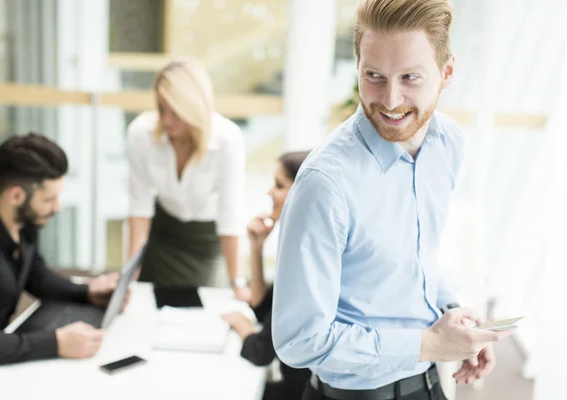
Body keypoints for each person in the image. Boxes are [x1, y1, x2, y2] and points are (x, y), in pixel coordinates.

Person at [272, 1, 514, 399]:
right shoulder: (325, 184)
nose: (390, 99)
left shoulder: (446, 143)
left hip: (429, 386)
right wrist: (431, 344)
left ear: (446, 72)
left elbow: (417, 261)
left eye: (410, 77)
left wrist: (455, 323)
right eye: (374, 76)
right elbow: (300, 340)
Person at [0, 133, 122, 367]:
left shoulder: (22, 223)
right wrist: (56, 343)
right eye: (49, 199)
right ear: (16, 195)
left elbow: (35, 276)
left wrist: (86, 293)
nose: (57, 207)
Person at [126, 57, 250, 301]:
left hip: (206, 240)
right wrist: (128, 278)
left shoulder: (228, 139)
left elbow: (229, 217)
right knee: (148, 305)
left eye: (176, 111)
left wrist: (237, 283)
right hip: (162, 234)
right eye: (161, 109)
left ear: (195, 107)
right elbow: (139, 209)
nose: (167, 121)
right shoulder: (141, 133)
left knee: (198, 311)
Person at [223, 151, 311, 400]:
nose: (270, 193)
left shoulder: (306, 258)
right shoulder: (297, 244)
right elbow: (262, 307)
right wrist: (257, 246)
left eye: (279, 185)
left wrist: (242, 326)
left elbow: (260, 351)